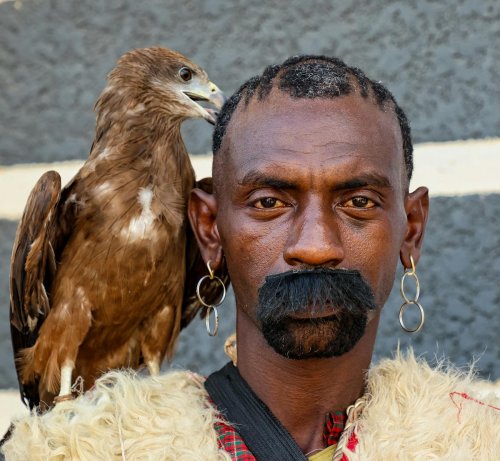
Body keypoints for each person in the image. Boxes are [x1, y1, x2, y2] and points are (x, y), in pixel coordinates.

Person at [2, 55, 499, 461]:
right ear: (209, 230)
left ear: (411, 229)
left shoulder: (477, 441)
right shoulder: (67, 452)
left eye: (358, 202)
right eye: (269, 203)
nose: (315, 245)